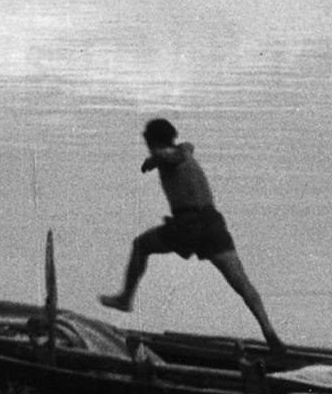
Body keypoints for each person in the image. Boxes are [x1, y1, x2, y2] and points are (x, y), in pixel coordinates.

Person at [101, 116, 283, 348]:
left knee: (141, 245)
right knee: (241, 282)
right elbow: (185, 148)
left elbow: (170, 156)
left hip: (188, 224)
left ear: (151, 140)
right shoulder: (184, 152)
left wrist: (155, 158)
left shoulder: (169, 155)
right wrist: (158, 158)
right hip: (213, 223)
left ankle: (126, 299)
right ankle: (269, 331)